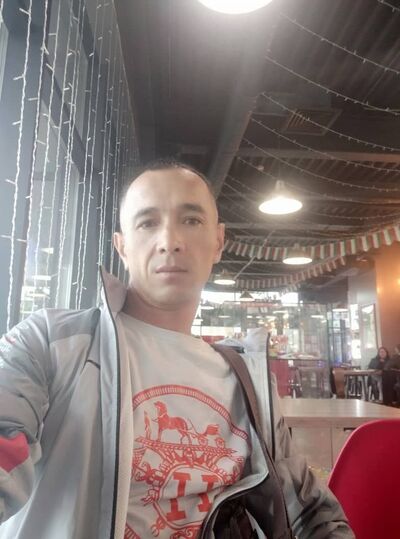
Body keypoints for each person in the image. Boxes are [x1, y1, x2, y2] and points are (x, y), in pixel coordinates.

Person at [0, 160, 354, 538]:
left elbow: (308, 510)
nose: (170, 241)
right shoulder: (52, 342)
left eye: (191, 220)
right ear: (122, 246)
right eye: (147, 223)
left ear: (218, 241)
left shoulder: (248, 381)